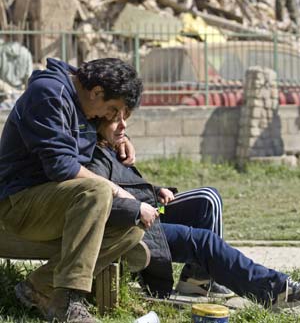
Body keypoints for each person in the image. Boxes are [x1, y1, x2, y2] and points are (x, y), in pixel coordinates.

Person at [88, 112, 300, 308]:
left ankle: (196, 279)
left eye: (125, 117)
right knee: (204, 241)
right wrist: (137, 207)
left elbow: (126, 185)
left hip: (150, 209)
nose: (124, 125)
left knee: (207, 200)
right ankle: (274, 289)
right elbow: (104, 200)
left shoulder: (113, 144)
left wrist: (156, 189)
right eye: (116, 119)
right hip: (134, 223)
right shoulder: (92, 157)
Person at [0, 57, 145, 323]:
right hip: (17, 204)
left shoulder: (83, 97)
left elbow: (87, 130)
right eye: (112, 110)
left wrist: (121, 139)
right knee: (97, 191)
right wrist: (119, 191)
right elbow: (61, 166)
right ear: (97, 92)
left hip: (54, 205)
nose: (108, 118)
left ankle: (39, 287)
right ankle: (68, 301)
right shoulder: (48, 95)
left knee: (132, 226)